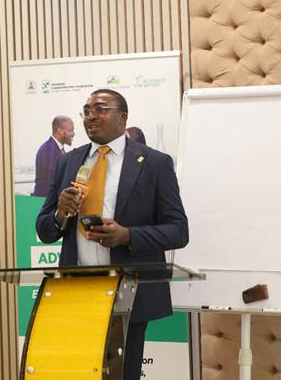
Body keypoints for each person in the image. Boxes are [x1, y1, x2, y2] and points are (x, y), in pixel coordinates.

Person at [35, 89, 188, 380]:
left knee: (122, 374)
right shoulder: (68, 162)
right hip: (78, 292)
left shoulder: (154, 163)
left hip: (128, 292)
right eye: (86, 111)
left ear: (123, 118)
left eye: (100, 109)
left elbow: (179, 231)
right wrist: (60, 214)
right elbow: (44, 229)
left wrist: (127, 235)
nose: (90, 116)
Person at [32, 115, 75, 197]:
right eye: (70, 130)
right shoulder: (48, 149)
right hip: (44, 201)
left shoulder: (58, 149)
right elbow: (53, 183)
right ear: (60, 130)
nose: (73, 134)